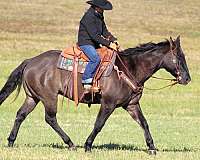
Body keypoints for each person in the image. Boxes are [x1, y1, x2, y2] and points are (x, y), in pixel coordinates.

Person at [78, 0, 118, 90]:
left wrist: (113, 39)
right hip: (85, 43)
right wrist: (109, 44)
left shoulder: (99, 15)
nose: (103, 10)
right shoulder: (88, 17)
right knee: (95, 58)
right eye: (102, 8)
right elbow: (94, 36)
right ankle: (86, 80)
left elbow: (104, 31)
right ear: (96, 7)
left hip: (94, 43)